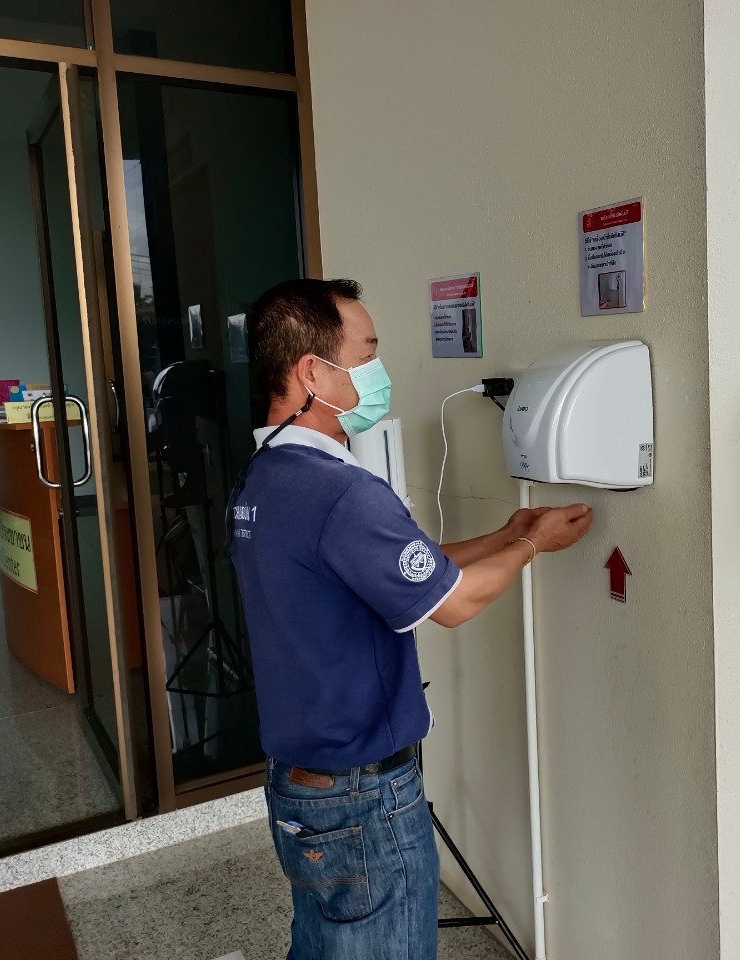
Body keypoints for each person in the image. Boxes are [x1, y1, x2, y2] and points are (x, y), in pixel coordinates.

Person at [230, 278, 593, 960]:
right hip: (361, 795)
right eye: (367, 353)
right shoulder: (340, 492)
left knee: (323, 945)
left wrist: (503, 534)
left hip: (301, 782)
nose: (378, 371)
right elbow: (453, 602)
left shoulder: (264, 477)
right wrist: (533, 547)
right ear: (312, 372)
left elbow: (407, 569)